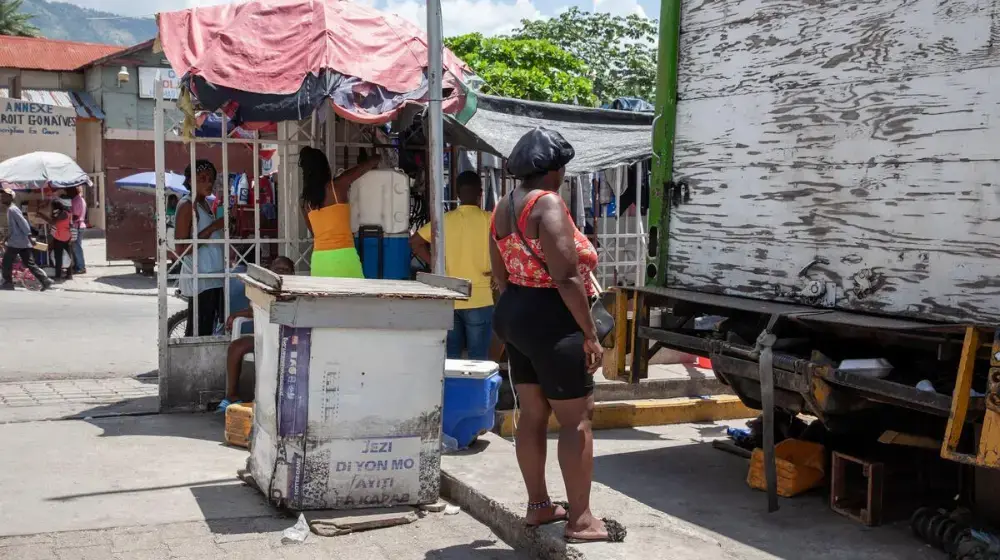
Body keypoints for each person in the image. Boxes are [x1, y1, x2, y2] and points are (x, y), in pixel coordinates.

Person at [489, 128, 624, 543]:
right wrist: (590, 335)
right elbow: (567, 278)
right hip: (554, 319)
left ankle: (539, 506)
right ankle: (581, 520)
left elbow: (497, 273)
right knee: (576, 419)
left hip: (516, 313)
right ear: (555, 170)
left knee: (532, 415)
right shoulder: (547, 204)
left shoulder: (502, 207)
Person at [410, 171, 493, 359]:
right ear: (480, 193)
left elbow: (415, 241)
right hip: (481, 297)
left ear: (456, 194)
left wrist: (436, 265)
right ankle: (474, 389)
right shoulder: (490, 219)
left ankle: (451, 389)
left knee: (451, 356)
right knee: (478, 358)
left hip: (450, 293)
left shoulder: (444, 220)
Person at [218, 256, 295, 411]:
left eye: (285, 270)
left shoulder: (295, 289)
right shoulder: (262, 288)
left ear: (292, 273)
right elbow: (254, 310)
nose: (281, 273)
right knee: (236, 347)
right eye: (277, 269)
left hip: (288, 337)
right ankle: (231, 395)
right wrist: (235, 315)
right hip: (263, 336)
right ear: (270, 271)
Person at [299, 146, 380, 277]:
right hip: (344, 256)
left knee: (324, 297)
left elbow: (314, 231)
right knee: (355, 296)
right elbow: (370, 163)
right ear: (325, 167)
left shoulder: (304, 201)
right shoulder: (338, 186)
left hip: (320, 259)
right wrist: (374, 157)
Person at [173, 160, 225, 337]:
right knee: (198, 330)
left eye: (211, 179)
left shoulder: (206, 204)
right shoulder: (187, 206)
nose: (208, 183)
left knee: (208, 326)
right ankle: (190, 364)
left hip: (213, 276)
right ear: (190, 181)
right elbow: (181, 250)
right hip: (199, 277)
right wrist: (213, 228)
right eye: (202, 178)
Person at [1, 186, 53, 291]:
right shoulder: (11, 209)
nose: (2, 198)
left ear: (11, 198)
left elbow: (23, 223)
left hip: (16, 242)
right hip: (22, 242)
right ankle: (45, 280)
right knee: (30, 263)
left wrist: (30, 236)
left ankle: (8, 283)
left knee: (6, 262)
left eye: (4, 196)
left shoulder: (12, 209)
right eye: (1, 196)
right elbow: (13, 228)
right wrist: (5, 238)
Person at [37, 199, 75, 280]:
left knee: (59, 257)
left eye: (52, 206)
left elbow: (52, 222)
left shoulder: (63, 213)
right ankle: (69, 274)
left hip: (60, 238)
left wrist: (42, 215)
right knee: (68, 256)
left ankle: (58, 275)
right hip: (66, 237)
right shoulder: (64, 213)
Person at [65, 186, 87, 275]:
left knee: (77, 247)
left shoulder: (77, 200)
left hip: (77, 226)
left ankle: (81, 267)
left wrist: (66, 216)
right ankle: (78, 266)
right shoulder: (79, 199)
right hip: (79, 226)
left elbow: (76, 215)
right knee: (76, 247)